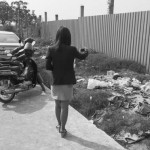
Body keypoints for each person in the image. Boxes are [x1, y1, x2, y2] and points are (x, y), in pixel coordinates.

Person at [45, 26, 88, 138]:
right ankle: (63, 129)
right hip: (67, 82)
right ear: (68, 37)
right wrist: (86, 51)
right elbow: (82, 56)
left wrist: (52, 79)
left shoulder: (51, 49)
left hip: (55, 82)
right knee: (65, 106)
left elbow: (48, 68)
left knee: (57, 105)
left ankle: (59, 125)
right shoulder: (72, 49)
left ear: (57, 36)